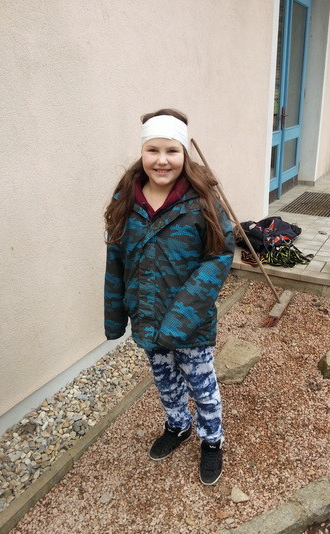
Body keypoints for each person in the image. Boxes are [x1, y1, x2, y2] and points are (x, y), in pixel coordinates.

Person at [104, 109, 235, 485]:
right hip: (147, 317)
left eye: (172, 151)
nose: (162, 160)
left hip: (190, 323)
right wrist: (115, 317)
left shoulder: (201, 201)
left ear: (184, 154)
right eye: (153, 150)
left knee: (202, 385)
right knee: (165, 380)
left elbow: (218, 257)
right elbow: (115, 261)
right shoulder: (126, 200)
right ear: (142, 152)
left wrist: (180, 317)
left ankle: (212, 440)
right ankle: (178, 426)